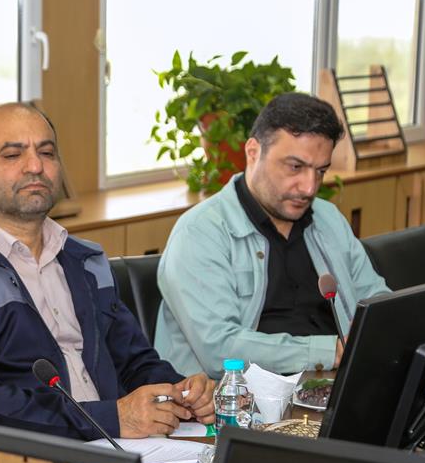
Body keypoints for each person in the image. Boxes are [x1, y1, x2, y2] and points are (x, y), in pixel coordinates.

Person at [0, 103, 215, 463]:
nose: (35, 165)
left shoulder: (86, 261)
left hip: (122, 451)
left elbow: (134, 362)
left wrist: (181, 392)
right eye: (13, 154)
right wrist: (112, 417)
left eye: (46, 152)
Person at [155, 92, 390, 378]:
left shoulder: (327, 218)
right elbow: (219, 349)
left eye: (320, 171)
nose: (309, 187)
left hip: (330, 384)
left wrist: (381, 329)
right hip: (240, 397)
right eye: (295, 167)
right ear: (253, 152)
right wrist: (330, 352)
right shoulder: (200, 233)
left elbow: (376, 299)